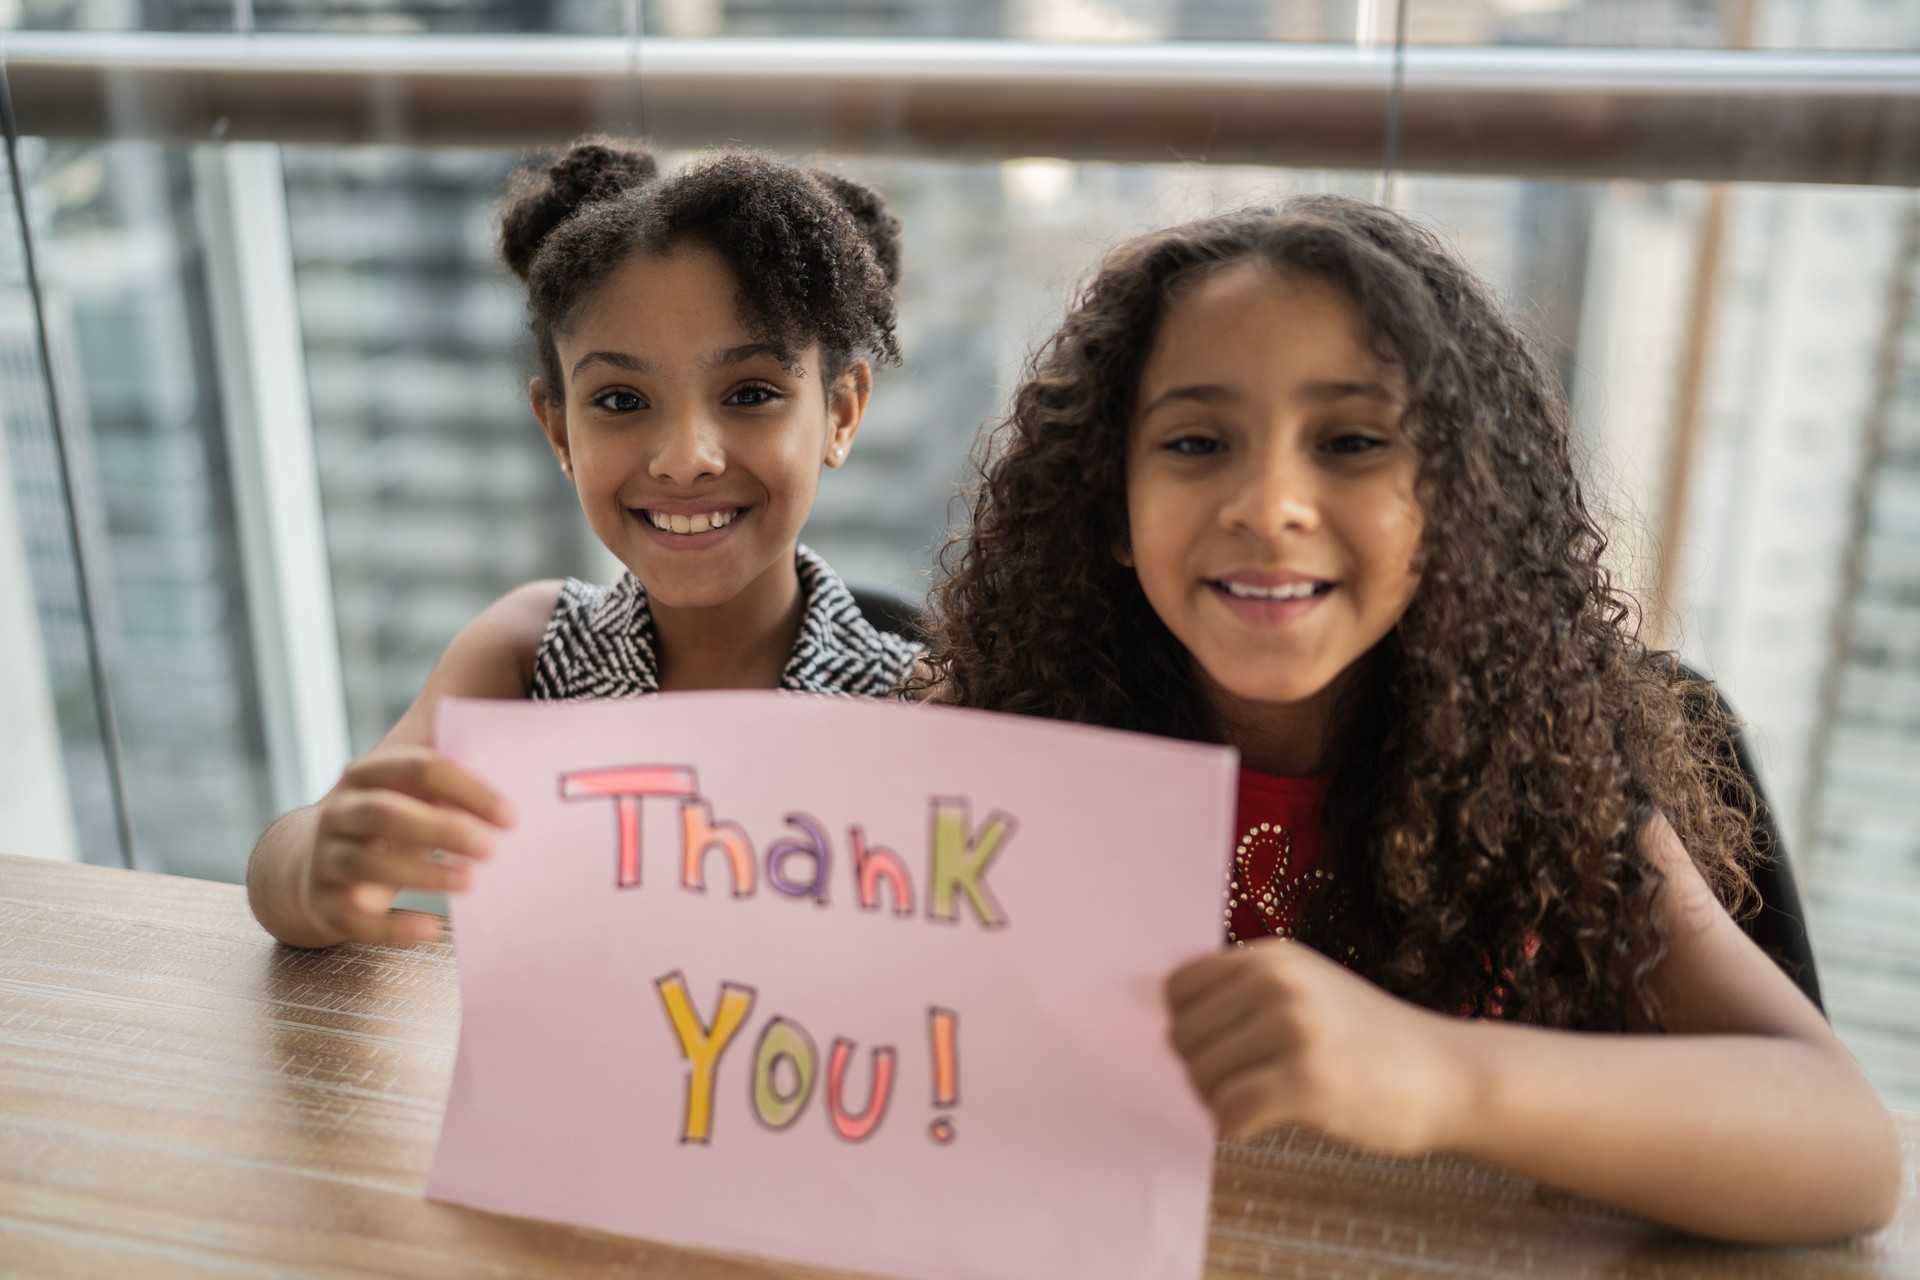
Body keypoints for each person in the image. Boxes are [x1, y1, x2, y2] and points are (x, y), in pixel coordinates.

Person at [918, 195, 1901, 1243]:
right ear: (1109, 506)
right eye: (1198, 441)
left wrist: (1434, 1074)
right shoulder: (992, 744)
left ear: (1454, 506)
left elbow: (1849, 1151)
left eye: (1349, 441)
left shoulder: (1549, 777)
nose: (1268, 502)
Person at [248, 139, 919, 950]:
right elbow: (287, 866)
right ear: (557, 427)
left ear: (841, 413)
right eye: (622, 400)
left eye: (750, 393)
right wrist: (315, 867)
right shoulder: (529, 654)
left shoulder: (918, 705)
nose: (684, 458)